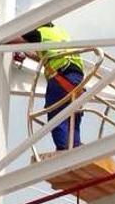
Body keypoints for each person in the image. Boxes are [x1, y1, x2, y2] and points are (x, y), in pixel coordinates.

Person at [12, 22, 85, 151]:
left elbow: (13, 39)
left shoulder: (41, 33)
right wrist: (25, 53)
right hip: (77, 78)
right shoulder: (60, 33)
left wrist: (1, 41)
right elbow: (44, 56)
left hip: (61, 76)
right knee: (73, 114)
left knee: (56, 114)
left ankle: (63, 151)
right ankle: (76, 148)